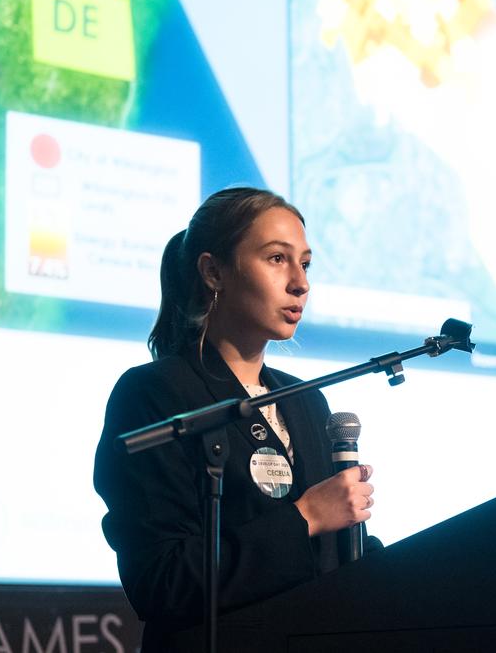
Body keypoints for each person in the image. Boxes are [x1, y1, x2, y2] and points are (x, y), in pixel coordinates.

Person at [93, 186, 373, 650]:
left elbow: (330, 564)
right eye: (277, 259)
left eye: (305, 263)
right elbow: (162, 581)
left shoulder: (304, 400)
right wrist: (304, 518)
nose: (300, 283)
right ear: (214, 271)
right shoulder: (155, 393)